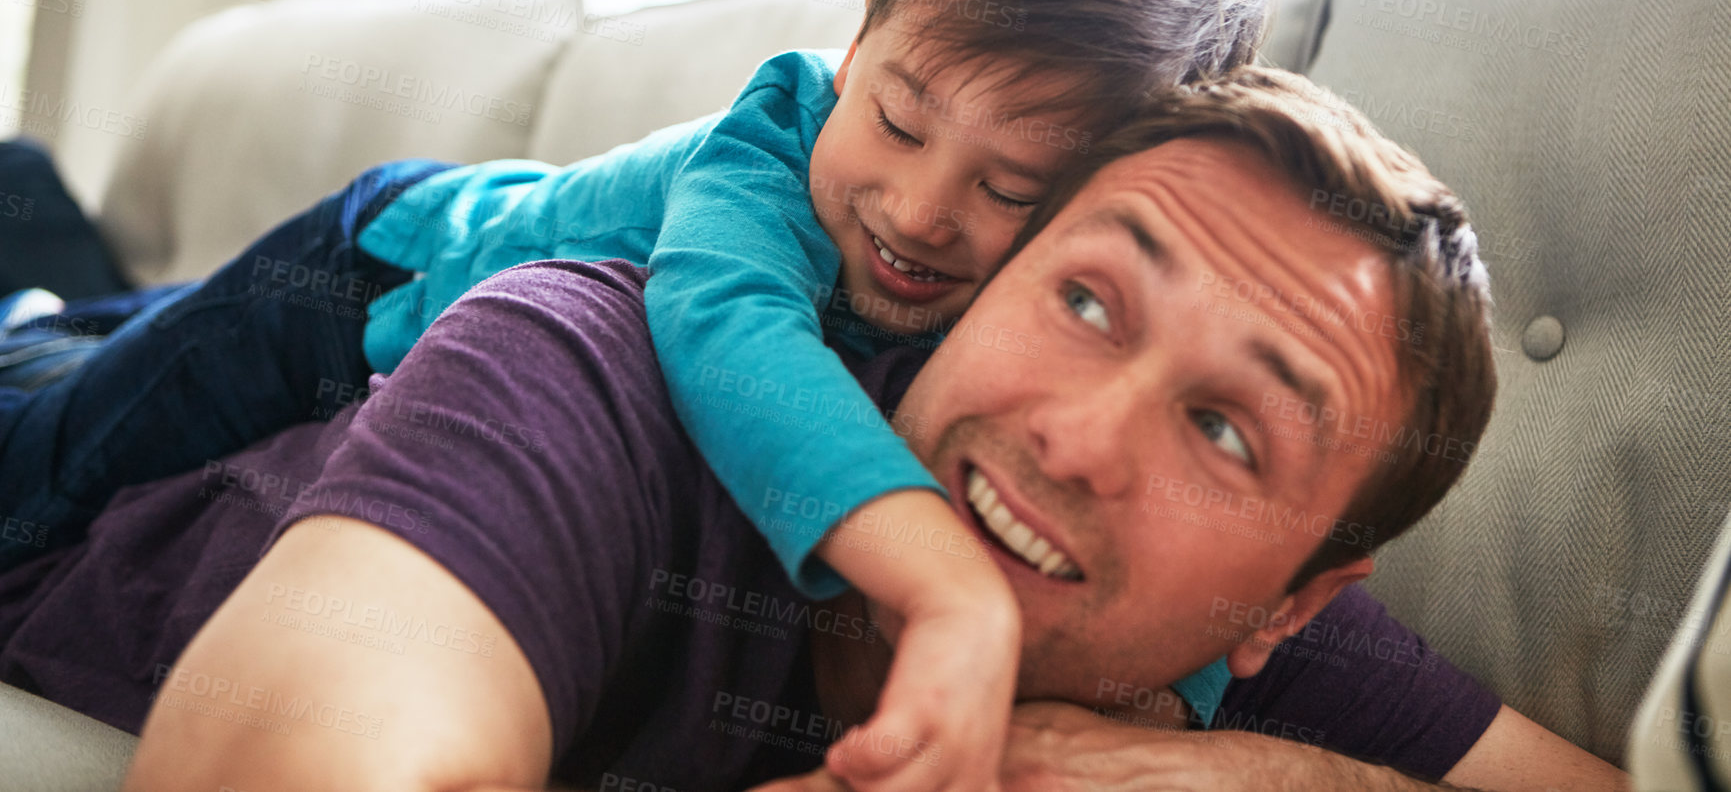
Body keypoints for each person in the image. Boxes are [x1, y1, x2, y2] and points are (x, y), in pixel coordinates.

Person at [0, 0, 1272, 788]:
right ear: (861, 33)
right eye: (895, 117)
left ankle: (49, 305)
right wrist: (946, 585)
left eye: (1012, 188)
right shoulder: (766, 151)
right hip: (359, 273)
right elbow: (737, 345)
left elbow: (1190, 562)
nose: (924, 210)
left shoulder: (1048, 319)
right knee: (59, 452)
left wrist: (1174, 695)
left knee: (83, 333)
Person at [1, 67, 1626, 791]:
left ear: (1289, 603)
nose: (1076, 439)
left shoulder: (1217, 654)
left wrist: (1273, 780)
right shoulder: (602, 356)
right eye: (1084, 300)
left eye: (1224, 427)